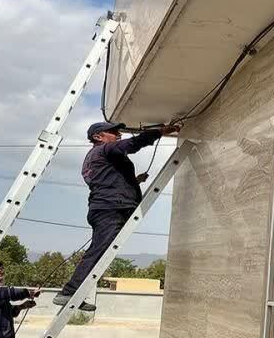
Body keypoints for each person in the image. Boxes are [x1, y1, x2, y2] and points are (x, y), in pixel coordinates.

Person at [53, 121, 181, 311]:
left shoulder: (93, 157)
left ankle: (72, 294)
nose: (118, 135)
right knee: (99, 251)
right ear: (98, 137)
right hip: (111, 209)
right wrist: (161, 131)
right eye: (113, 132)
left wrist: (135, 181)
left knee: (98, 250)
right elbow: (132, 144)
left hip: (104, 207)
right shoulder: (104, 149)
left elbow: (107, 181)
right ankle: (69, 293)